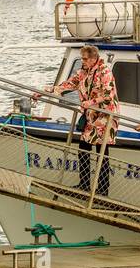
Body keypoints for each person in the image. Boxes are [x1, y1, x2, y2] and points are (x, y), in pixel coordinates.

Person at [37, 44, 117, 195]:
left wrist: (91, 102)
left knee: (102, 152)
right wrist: (44, 91)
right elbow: (68, 85)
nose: (83, 61)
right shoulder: (82, 72)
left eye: (85, 59)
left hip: (105, 116)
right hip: (91, 116)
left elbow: (108, 94)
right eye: (82, 58)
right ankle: (85, 184)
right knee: (83, 147)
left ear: (94, 59)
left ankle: (103, 189)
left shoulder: (104, 71)